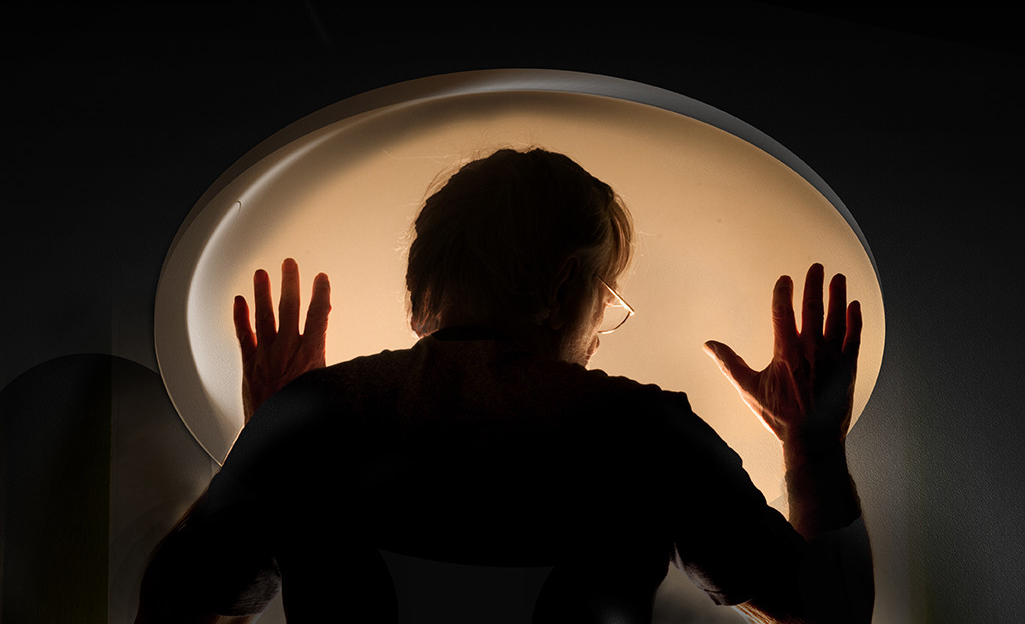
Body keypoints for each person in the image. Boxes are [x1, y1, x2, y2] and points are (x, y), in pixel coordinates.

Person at [135, 148, 873, 623]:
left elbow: (177, 607)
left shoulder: (315, 417)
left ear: (420, 290)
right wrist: (811, 452)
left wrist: (269, 437)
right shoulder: (644, 432)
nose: (600, 328)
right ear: (563, 287)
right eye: (605, 296)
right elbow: (829, 615)